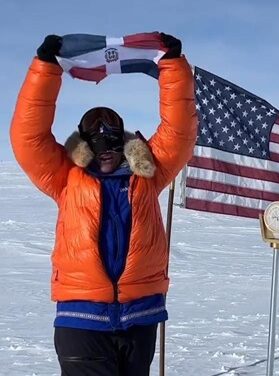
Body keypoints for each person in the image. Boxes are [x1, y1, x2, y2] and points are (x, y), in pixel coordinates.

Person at [10, 33, 198, 375]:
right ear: (83, 145)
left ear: (124, 141)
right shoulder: (65, 177)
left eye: (112, 138)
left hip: (140, 315)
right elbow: (28, 137)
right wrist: (45, 70)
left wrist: (172, 67)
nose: (105, 149)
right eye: (95, 140)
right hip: (81, 319)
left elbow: (179, 131)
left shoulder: (148, 173)